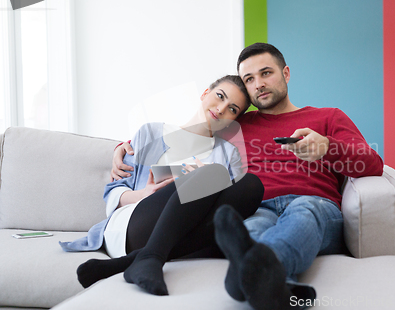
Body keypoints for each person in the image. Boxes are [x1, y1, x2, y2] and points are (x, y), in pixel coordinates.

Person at [113, 44, 384, 310]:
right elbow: (190, 134)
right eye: (249, 79)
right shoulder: (236, 123)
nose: (258, 84)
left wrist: (327, 146)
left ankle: (254, 274)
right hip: (257, 206)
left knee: (304, 210)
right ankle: (268, 284)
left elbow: (373, 163)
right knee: (249, 231)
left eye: (266, 73)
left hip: (315, 204)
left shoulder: (327, 117)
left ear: (286, 73)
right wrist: (127, 147)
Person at [60, 75, 264, 296]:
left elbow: (224, 212)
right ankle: (148, 256)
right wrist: (144, 194)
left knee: (252, 186)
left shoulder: (228, 153)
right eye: (220, 96)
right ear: (205, 93)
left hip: (183, 237)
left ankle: (138, 260)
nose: (222, 108)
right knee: (212, 173)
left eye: (233, 109)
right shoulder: (151, 133)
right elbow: (113, 193)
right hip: (134, 225)